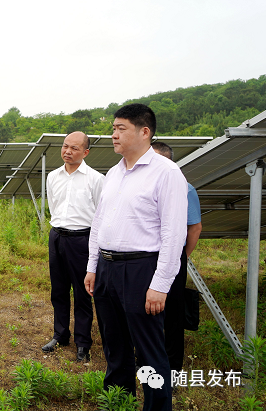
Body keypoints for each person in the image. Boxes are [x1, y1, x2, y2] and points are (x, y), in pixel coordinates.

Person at [84, 103, 187, 411]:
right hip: (107, 267)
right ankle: (118, 401)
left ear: (145, 132)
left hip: (142, 269)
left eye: (120, 129)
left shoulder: (167, 173)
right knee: (114, 345)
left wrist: (161, 284)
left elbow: (173, 234)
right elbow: (99, 222)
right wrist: (92, 266)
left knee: (150, 350)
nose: (113, 135)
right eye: (113, 128)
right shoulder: (114, 173)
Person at [43, 131, 104, 362]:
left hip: (82, 239)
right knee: (58, 290)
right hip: (57, 236)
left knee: (82, 292)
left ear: (85, 152)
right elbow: (54, 206)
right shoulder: (53, 176)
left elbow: (100, 214)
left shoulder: (96, 179)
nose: (67, 151)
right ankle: (60, 334)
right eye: (65, 146)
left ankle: (83, 342)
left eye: (74, 148)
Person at [150, 141, 202, 373]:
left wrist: (181, 258)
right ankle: (146, 358)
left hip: (172, 256)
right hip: (144, 256)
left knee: (172, 313)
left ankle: (172, 367)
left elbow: (194, 228)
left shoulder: (185, 188)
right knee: (145, 309)